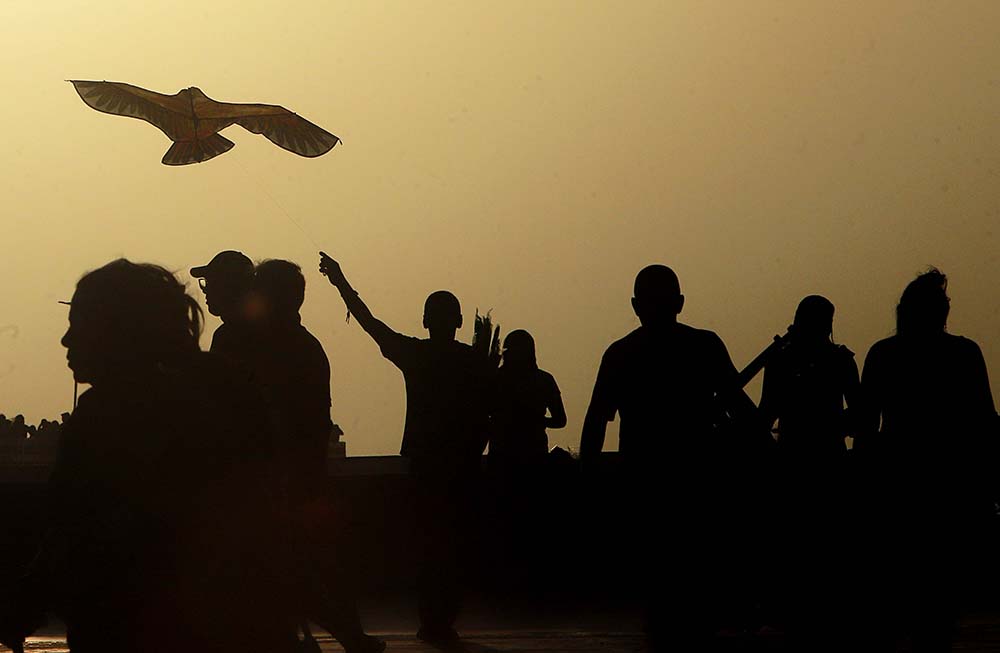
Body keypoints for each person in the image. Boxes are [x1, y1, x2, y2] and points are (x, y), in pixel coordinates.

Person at [3, 259, 292, 653]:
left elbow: (70, 535)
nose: (67, 341)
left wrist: (19, 611)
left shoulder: (102, 418)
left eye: (80, 325)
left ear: (114, 331)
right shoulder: (228, 390)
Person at [579, 264, 760, 648]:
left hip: (648, 478)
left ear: (634, 306)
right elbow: (741, 410)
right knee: (692, 576)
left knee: (660, 581)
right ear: (680, 303)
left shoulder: (621, 353)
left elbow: (596, 422)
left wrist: (588, 478)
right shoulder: (704, 346)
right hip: (693, 478)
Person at [319, 251, 493, 644]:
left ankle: (433, 618)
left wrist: (340, 282)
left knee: (430, 544)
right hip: (462, 464)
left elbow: (369, 322)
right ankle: (442, 619)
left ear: (426, 322)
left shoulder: (416, 356)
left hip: (426, 464)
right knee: (454, 543)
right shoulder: (473, 361)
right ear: (459, 323)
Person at [856, 268, 997, 650]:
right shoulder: (963, 354)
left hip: (901, 483)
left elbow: (866, 428)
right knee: (938, 602)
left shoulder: (884, 354)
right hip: (945, 484)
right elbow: (985, 421)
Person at [252, 259, 383, 653]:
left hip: (290, 479)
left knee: (298, 567)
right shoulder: (298, 346)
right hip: (299, 477)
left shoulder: (286, 349)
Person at [757, 295, 859, 645]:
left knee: (801, 542)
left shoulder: (786, 360)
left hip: (804, 460)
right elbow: (860, 415)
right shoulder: (838, 361)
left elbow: (764, 415)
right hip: (815, 461)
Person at [190, 250, 256, 367]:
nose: (205, 290)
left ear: (230, 287)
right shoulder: (261, 329)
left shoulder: (230, 336)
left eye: (212, 283)